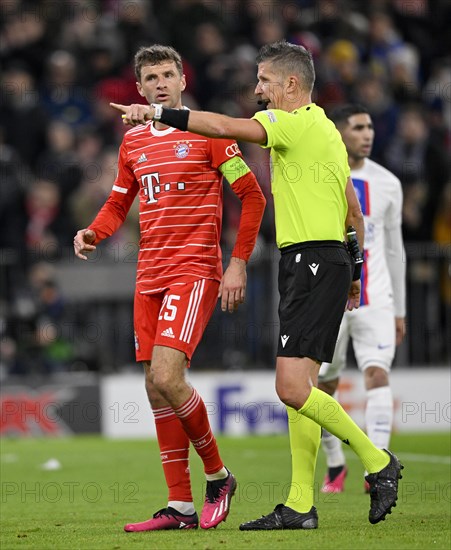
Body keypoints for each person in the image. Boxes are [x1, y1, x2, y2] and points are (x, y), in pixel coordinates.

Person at [112, 40, 404, 530]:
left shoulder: (285, 123)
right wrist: (352, 268)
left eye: (265, 80)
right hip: (320, 260)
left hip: (310, 259)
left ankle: (378, 461)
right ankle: (299, 504)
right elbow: (353, 208)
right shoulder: (328, 132)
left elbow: (225, 127)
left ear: (291, 84)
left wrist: (158, 114)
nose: (257, 89)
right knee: (301, 388)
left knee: (291, 388)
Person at [74, 44, 266, 531]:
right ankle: (179, 505)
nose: (160, 83)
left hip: (195, 269)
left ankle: (218, 476)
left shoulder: (209, 132)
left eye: (167, 74)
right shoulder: (133, 142)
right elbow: (119, 203)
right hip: (149, 274)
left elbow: (252, 196)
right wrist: (94, 232)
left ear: (182, 80)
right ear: (139, 89)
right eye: (151, 78)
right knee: (154, 388)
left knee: (166, 376)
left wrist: (238, 262)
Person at [318, 104, 406, 493]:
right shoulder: (319, 175)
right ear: (339, 133)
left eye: (370, 126)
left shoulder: (388, 183)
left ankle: (379, 465)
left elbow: (394, 249)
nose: (367, 133)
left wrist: (400, 309)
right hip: (329, 301)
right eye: (357, 127)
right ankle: (335, 463)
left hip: (376, 298)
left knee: (377, 373)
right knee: (323, 385)